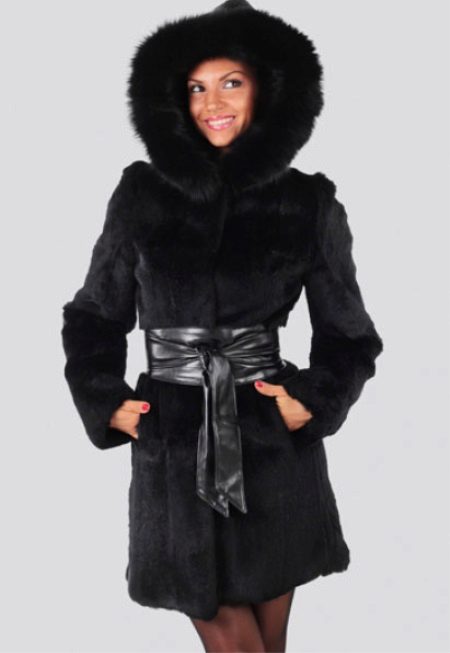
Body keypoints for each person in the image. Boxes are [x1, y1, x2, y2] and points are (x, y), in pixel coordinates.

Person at [61, 1, 384, 651]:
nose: (213, 102)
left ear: (268, 90)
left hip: (271, 448)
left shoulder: (307, 203)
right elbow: (94, 314)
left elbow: (350, 335)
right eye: (196, 87)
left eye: (231, 82)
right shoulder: (142, 195)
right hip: (175, 441)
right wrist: (106, 401)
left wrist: (312, 400)